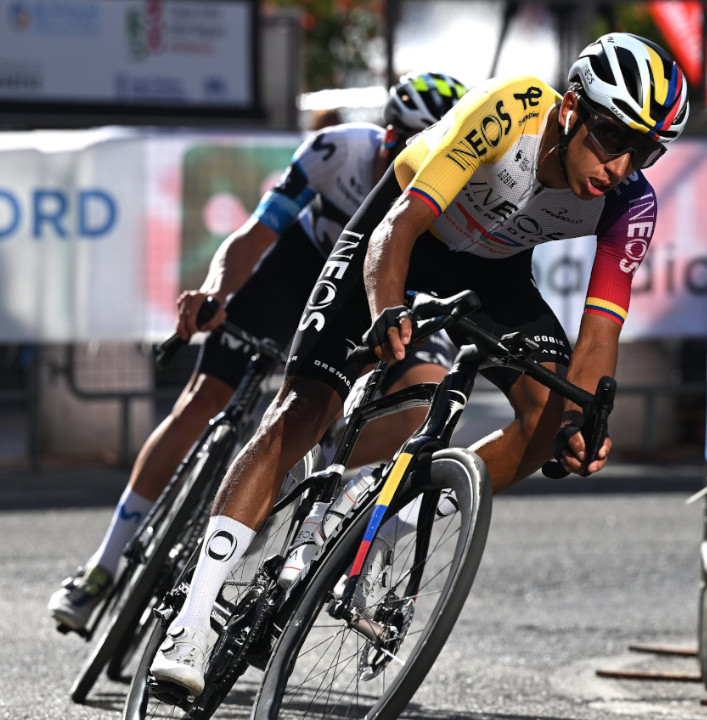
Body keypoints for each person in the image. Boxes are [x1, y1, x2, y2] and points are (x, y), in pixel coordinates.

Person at [148, 32, 690, 696]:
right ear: (574, 107)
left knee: (552, 417)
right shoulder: (511, 107)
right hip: (403, 231)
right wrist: (385, 310)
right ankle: (193, 618)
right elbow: (398, 228)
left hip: (495, 271)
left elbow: (600, 334)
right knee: (305, 406)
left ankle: (384, 515)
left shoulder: (630, 200)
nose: (622, 164)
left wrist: (584, 420)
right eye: (614, 137)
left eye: (647, 151)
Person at [47, 72, 469, 631]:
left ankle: (316, 480)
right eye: (403, 143)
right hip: (297, 271)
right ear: (386, 135)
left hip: (366, 295)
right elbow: (256, 232)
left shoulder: (451, 194)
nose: (410, 159)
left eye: (428, 149)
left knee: (425, 398)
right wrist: (217, 292)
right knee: (200, 401)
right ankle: (101, 567)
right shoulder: (338, 150)